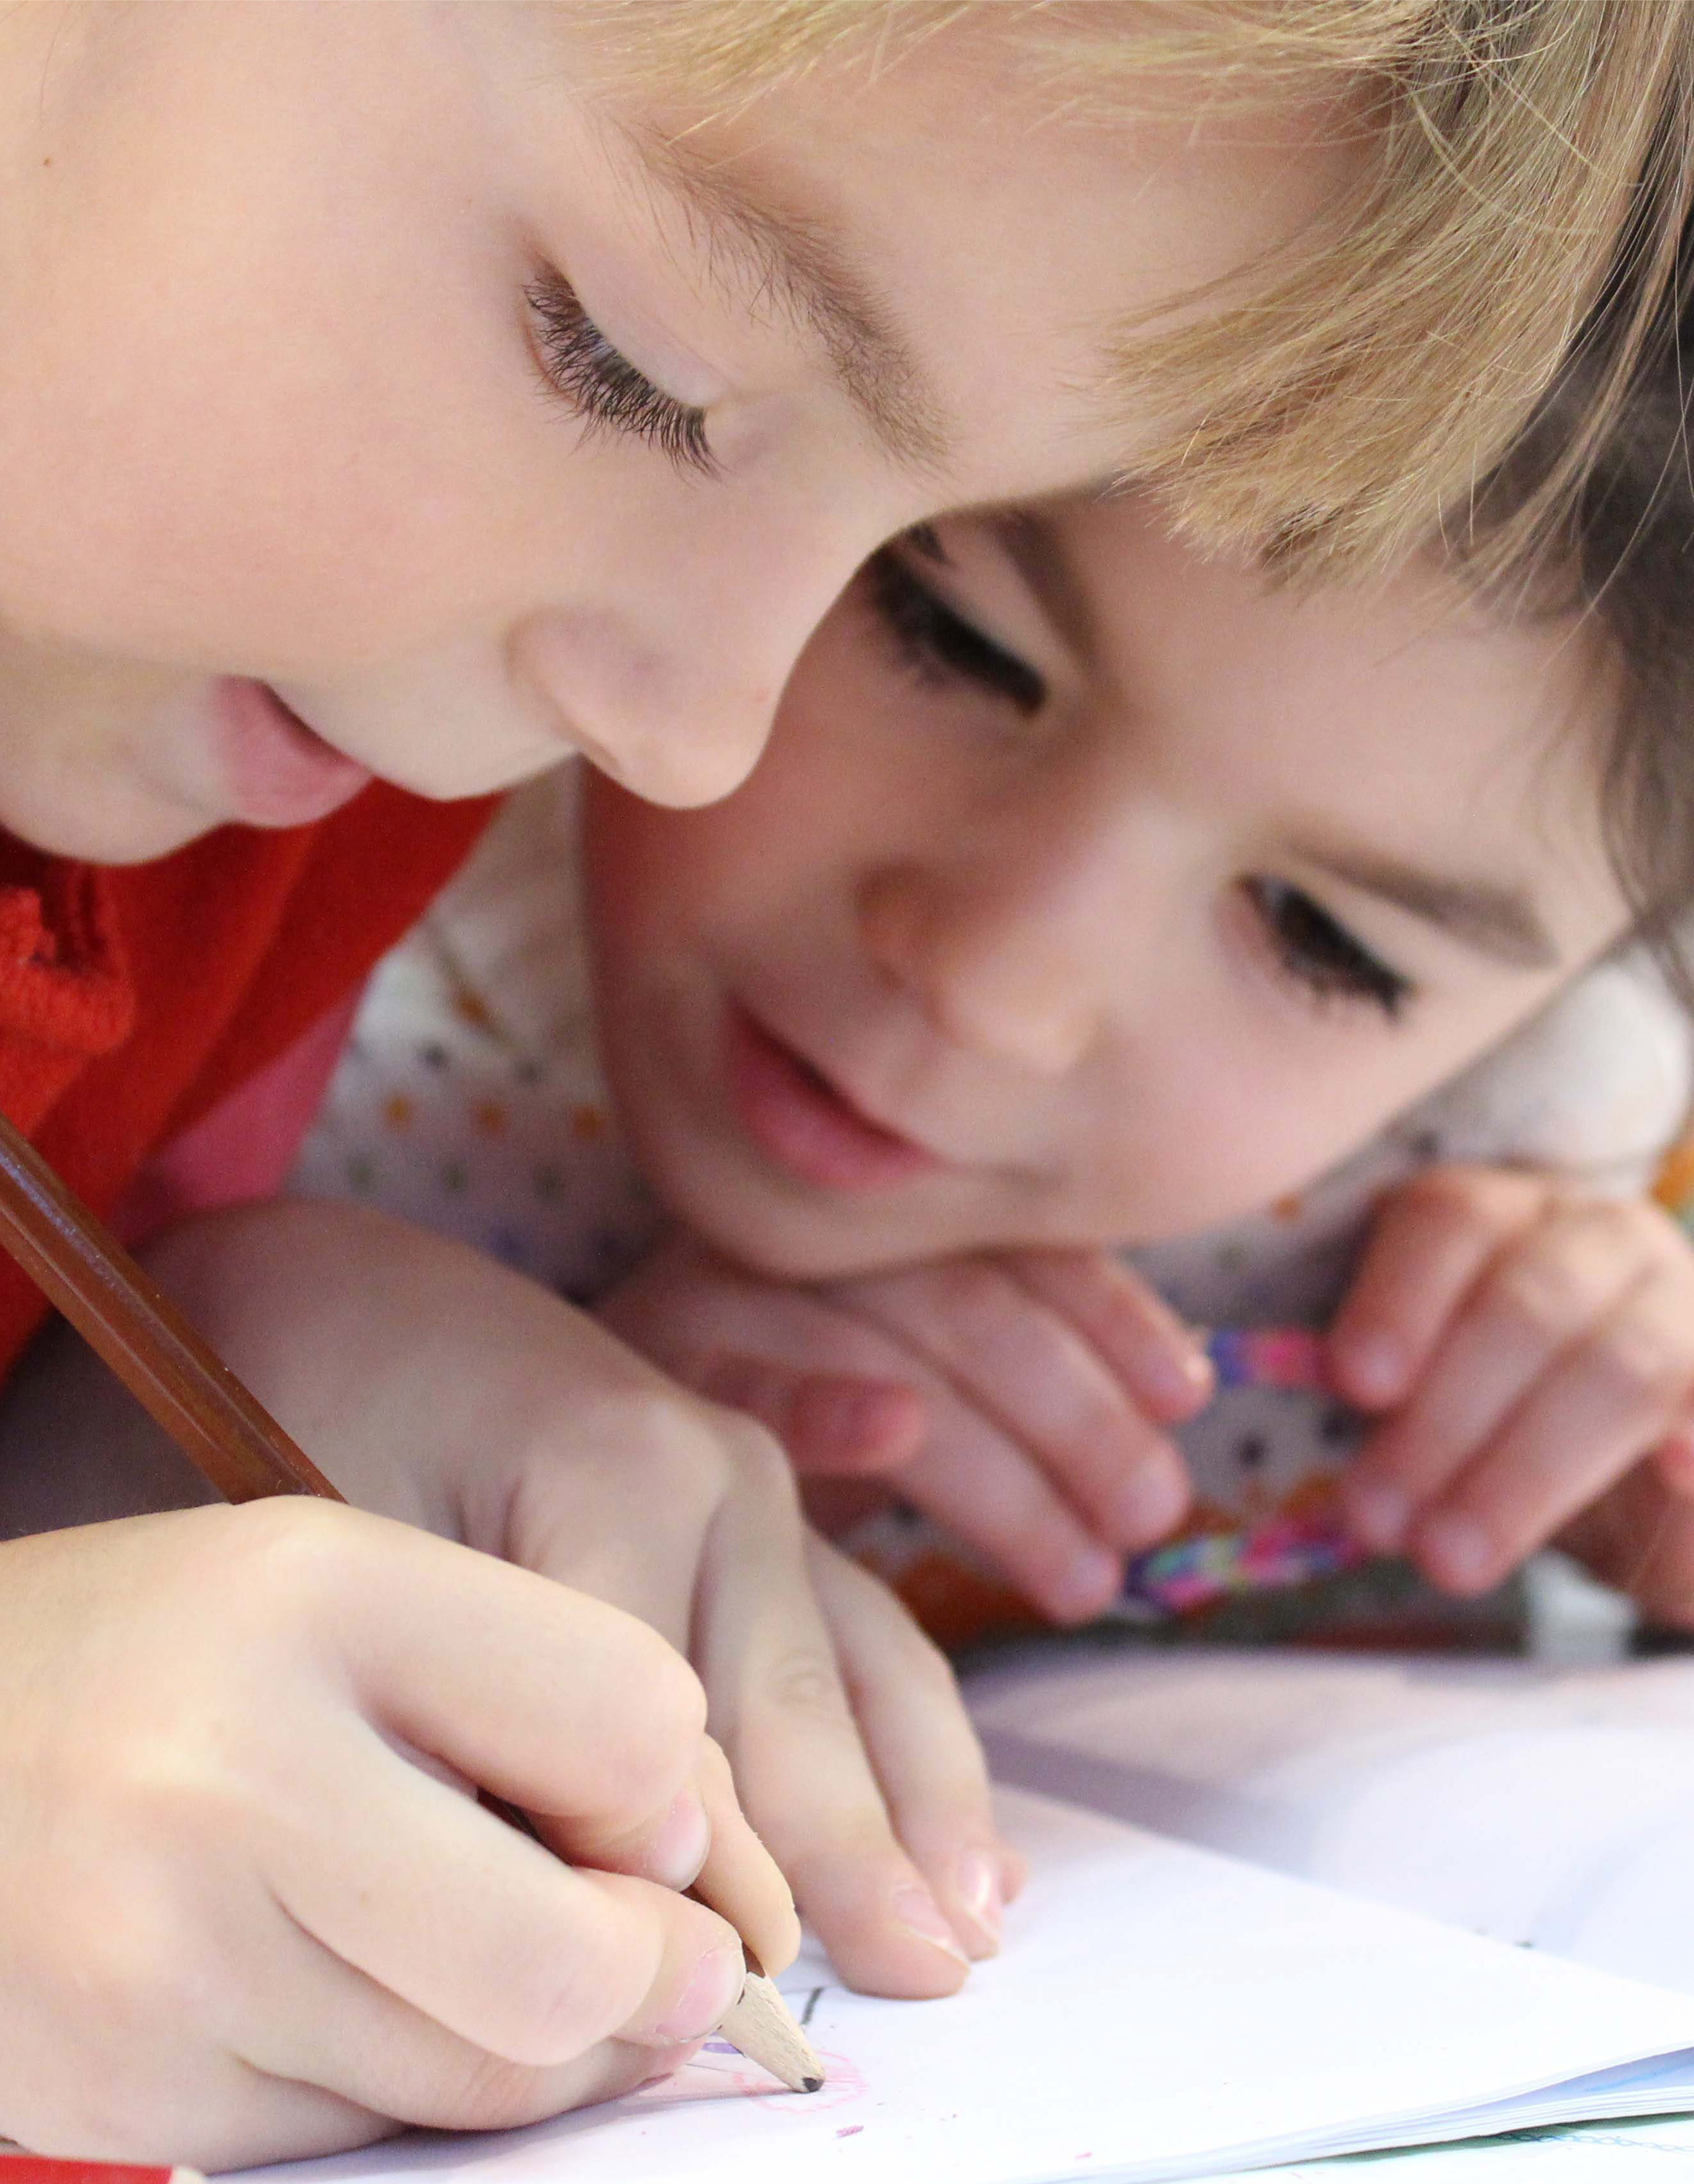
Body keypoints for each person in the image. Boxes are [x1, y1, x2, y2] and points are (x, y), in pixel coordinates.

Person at [0, 0, 1688, 2164]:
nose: (692, 730)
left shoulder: (280, 789)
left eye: (1325, 947)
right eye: (640, 369)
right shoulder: (290, 772)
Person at [299, 237, 1694, 1676]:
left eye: (1321, 941)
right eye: (952, 640)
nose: (987, 987)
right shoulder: (295, 870)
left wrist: (1626, 1478)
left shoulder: (1545, 1165)